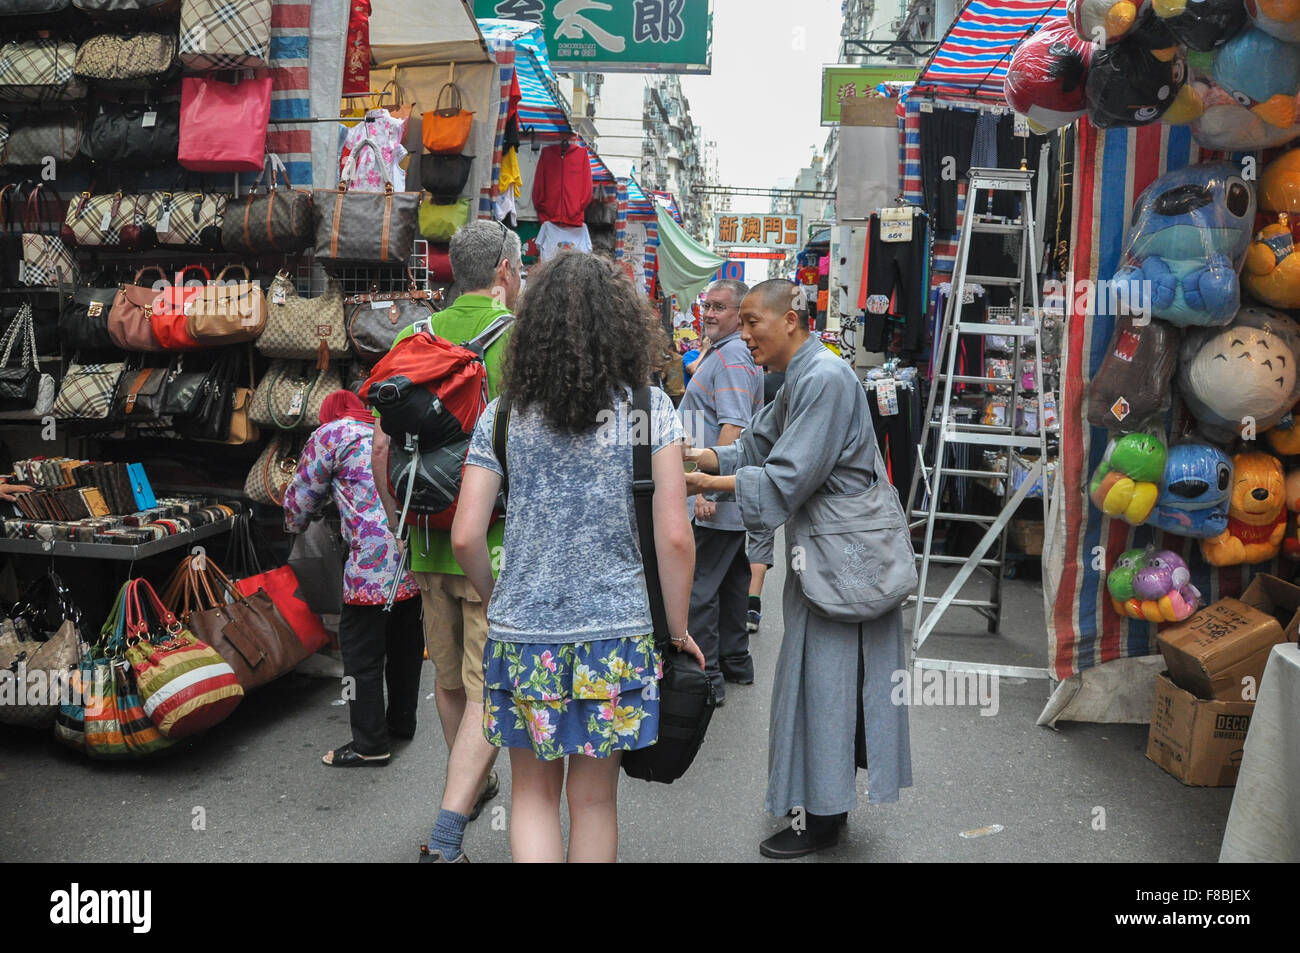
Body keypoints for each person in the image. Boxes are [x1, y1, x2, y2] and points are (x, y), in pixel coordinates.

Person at [451, 251, 704, 863]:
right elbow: (675, 537)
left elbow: (464, 535)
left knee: (533, 797)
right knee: (593, 802)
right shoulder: (650, 411)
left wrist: (498, 596)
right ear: (622, 325)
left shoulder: (504, 415)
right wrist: (676, 631)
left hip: (523, 632)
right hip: (615, 640)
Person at [685, 279, 912, 859]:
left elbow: (787, 476)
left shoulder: (825, 378)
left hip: (845, 559)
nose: (744, 333)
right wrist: (702, 456)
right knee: (822, 681)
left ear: (791, 320)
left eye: (753, 321)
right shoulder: (802, 377)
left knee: (826, 683)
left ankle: (823, 816)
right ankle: (823, 804)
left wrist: (712, 483)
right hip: (835, 554)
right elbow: (758, 446)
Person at [371, 219, 520, 862]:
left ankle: (473, 781)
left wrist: (397, 521)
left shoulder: (412, 335)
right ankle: (452, 814)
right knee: (488, 680)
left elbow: (382, 445)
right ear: (506, 272)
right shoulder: (516, 340)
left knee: (451, 679)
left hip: (425, 534)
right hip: (491, 540)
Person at [283, 389, 422, 767]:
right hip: (415, 553)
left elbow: (301, 499)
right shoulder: (385, 426)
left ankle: (369, 744)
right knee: (405, 645)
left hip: (370, 565)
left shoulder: (331, 434)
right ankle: (401, 723)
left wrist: (293, 523)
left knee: (361, 657)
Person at [678, 278, 762, 704]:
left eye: (719, 307)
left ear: (739, 314)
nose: (709, 313)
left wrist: (706, 490)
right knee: (730, 581)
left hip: (716, 494)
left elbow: (734, 427)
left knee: (698, 586)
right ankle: (734, 663)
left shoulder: (731, 359)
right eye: (706, 305)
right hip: (724, 493)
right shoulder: (727, 353)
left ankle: (706, 678)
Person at [745, 366, 786, 634]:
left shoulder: (762, 382)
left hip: (752, 455)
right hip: (778, 462)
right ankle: (753, 606)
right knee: (761, 534)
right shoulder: (796, 384)